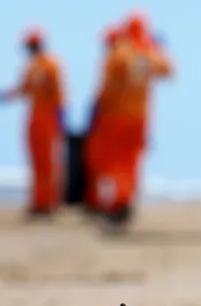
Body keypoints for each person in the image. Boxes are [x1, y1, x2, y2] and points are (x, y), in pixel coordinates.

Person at [91, 11, 174, 229]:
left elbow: (107, 84)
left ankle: (118, 205)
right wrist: (155, 49)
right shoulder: (150, 53)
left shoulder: (121, 51)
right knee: (131, 164)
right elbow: (168, 70)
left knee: (115, 164)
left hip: (116, 118)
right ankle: (124, 203)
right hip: (139, 119)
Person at [0, 27, 67, 220]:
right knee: (36, 163)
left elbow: (60, 95)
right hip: (34, 119)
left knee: (49, 163)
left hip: (48, 118)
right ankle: (38, 202)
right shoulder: (31, 67)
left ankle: (49, 204)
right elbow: (20, 91)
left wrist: (60, 119)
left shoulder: (51, 65)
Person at [83, 23, 123, 215]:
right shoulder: (127, 58)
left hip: (111, 121)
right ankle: (110, 202)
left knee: (106, 165)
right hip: (125, 121)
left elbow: (105, 93)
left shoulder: (115, 59)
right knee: (111, 165)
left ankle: (109, 202)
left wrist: (94, 114)